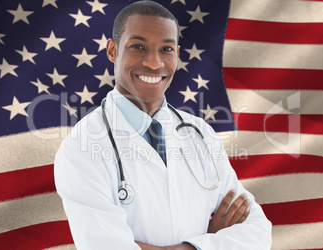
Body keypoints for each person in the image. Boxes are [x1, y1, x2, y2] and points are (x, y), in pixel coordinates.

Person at [54, 1, 272, 249]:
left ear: (177, 55)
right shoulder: (82, 147)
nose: (154, 63)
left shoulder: (200, 134)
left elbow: (258, 233)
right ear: (112, 50)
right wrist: (208, 242)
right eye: (138, 46)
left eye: (166, 49)